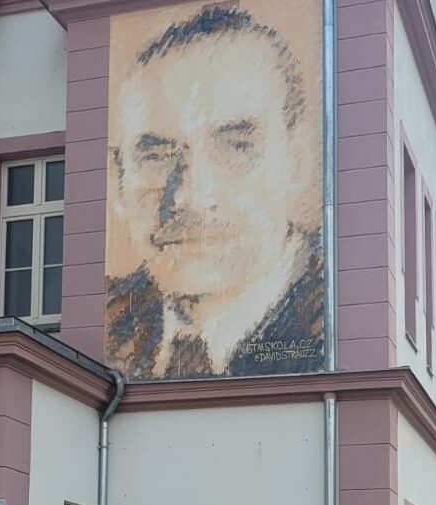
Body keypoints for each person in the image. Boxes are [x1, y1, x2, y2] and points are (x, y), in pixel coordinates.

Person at [105, 4, 324, 378]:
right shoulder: (109, 318)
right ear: (120, 180)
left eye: (236, 146)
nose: (190, 195)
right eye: (157, 156)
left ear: (298, 162)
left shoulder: (338, 313)